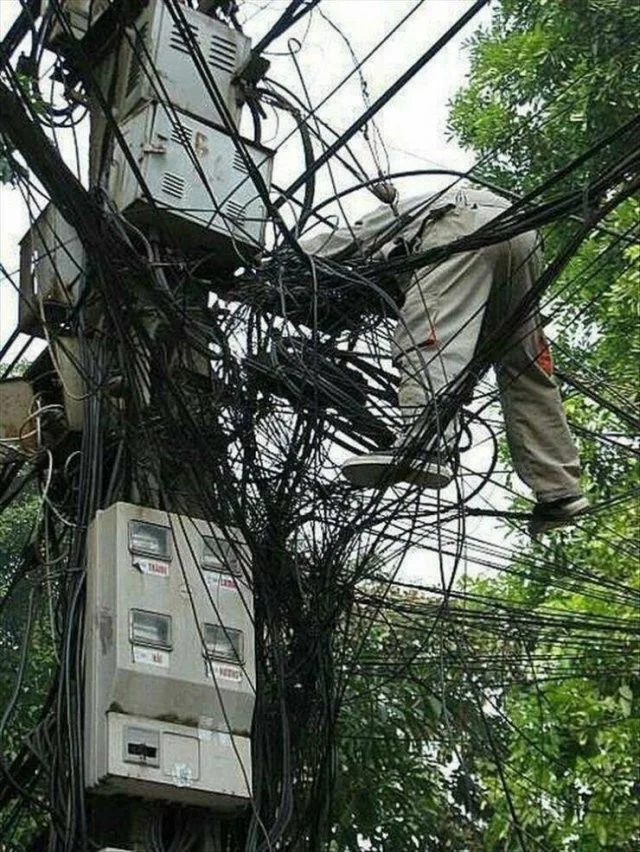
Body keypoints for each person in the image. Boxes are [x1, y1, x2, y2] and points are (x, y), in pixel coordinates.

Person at [300, 184, 588, 536]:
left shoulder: (391, 216)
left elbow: (348, 238)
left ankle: (427, 445)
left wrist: (276, 261)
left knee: (427, 336)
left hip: (462, 225)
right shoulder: (441, 208)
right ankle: (559, 489)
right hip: (526, 237)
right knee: (523, 366)